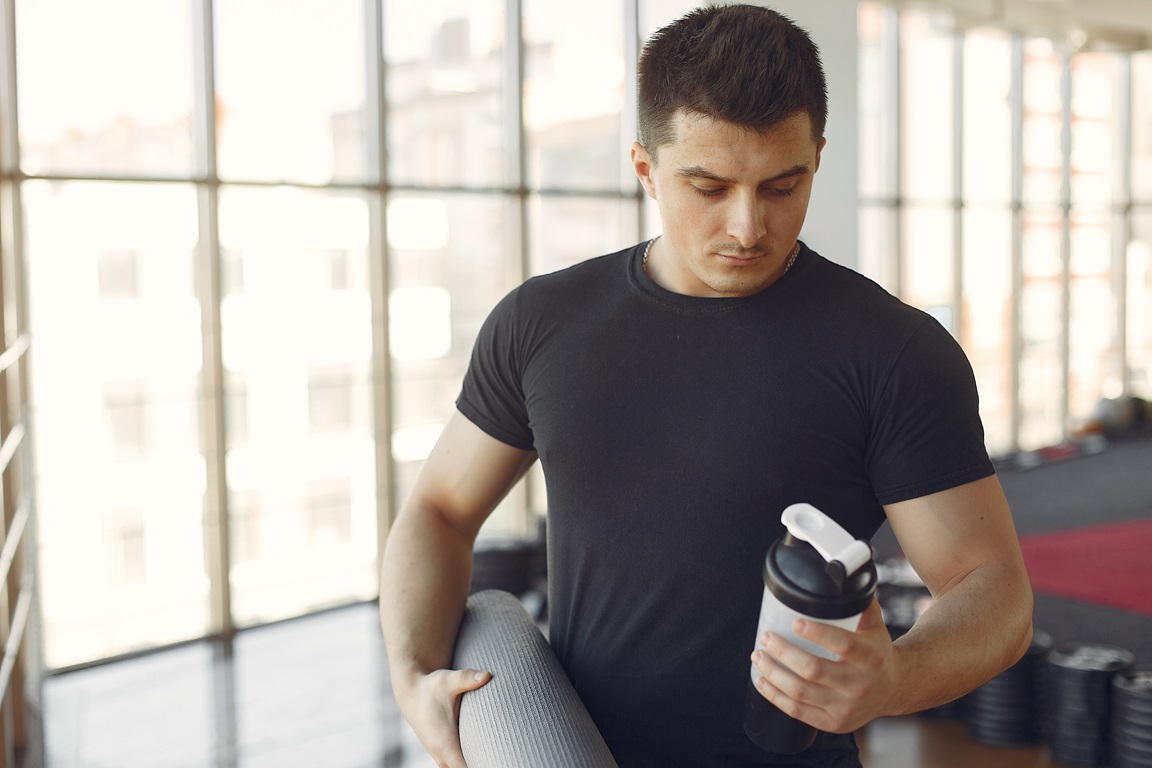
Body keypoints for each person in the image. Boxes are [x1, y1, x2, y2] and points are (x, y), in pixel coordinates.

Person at [379, 4, 1034, 767]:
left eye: (782, 186)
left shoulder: (893, 352)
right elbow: (439, 510)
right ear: (644, 166)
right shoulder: (540, 322)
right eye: (710, 186)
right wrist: (410, 674)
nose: (748, 226)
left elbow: (994, 591)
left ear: (817, 157)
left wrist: (896, 678)